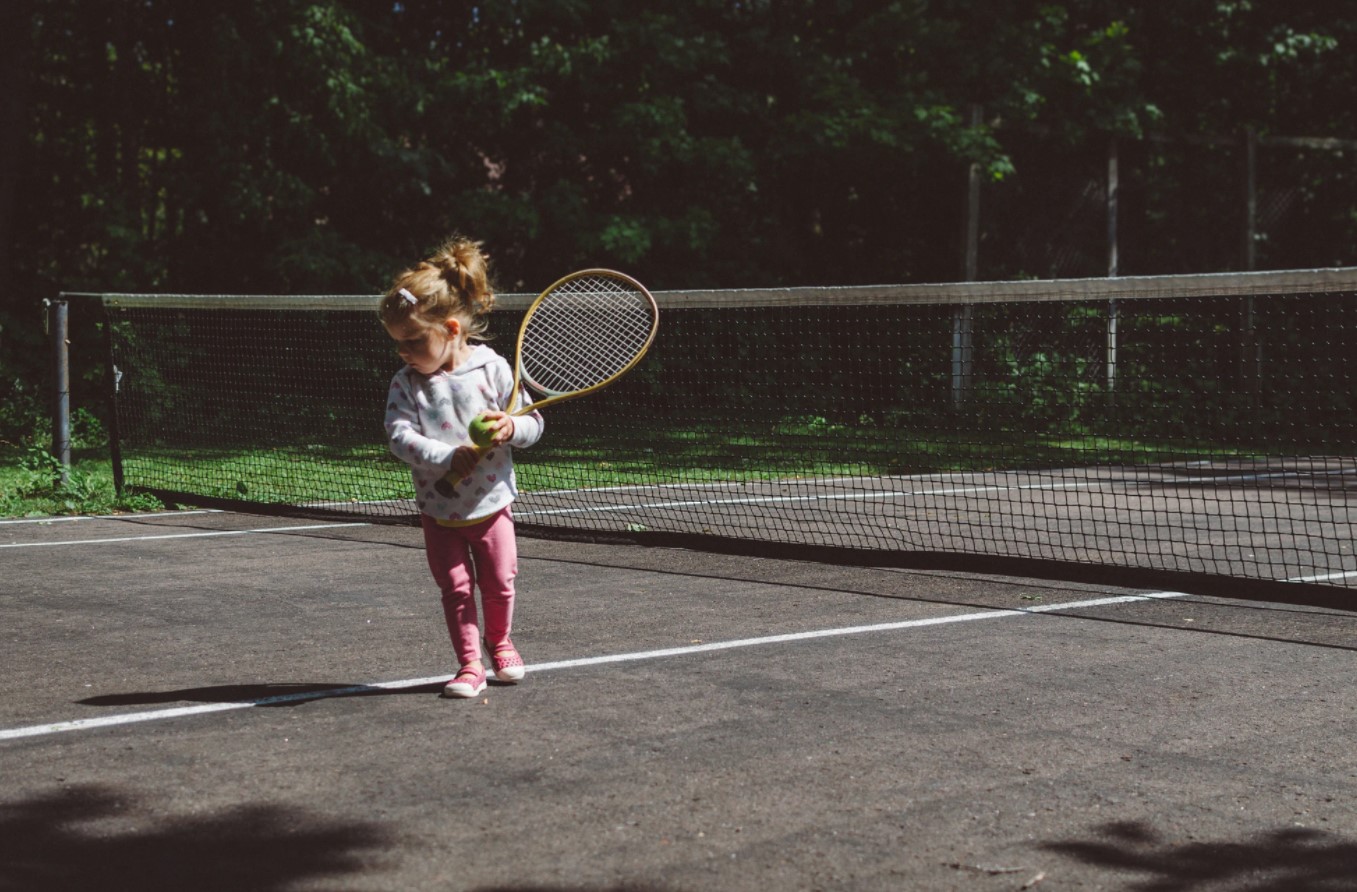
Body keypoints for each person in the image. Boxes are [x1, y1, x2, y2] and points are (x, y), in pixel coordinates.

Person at [378, 236, 543, 699]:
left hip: (491, 505)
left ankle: (500, 641)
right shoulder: (406, 383)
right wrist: (446, 457)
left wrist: (512, 427)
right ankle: (469, 664)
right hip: (438, 510)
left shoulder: (492, 370)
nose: (404, 353)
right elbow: (399, 437)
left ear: (451, 328)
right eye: (398, 345)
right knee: (455, 589)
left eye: (413, 341)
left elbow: (533, 423)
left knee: (500, 583)